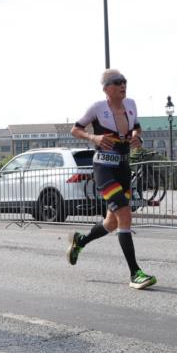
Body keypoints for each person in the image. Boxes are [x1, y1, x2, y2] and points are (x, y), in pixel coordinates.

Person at [66, 69, 156, 290]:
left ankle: (81, 242)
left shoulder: (131, 104)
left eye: (125, 81)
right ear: (107, 88)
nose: (123, 84)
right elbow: (75, 130)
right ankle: (135, 273)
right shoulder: (98, 108)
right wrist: (93, 136)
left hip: (124, 168)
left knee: (112, 222)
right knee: (124, 215)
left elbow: (136, 127)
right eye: (117, 82)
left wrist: (137, 137)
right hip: (104, 168)